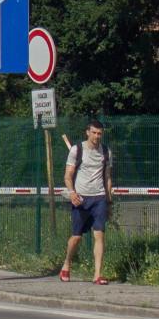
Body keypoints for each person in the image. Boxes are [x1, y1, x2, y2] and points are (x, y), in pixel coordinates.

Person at [59, 117, 115, 284]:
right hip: (81, 199)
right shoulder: (77, 150)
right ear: (87, 132)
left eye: (100, 133)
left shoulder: (106, 152)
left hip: (99, 198)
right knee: (76, 237)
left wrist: (109, 200)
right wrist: (72, 193)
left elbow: (107, 177)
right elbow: (68, 176)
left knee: (99, 235)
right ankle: (67, 264)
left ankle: (97, 274)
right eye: (94, 133)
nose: (97, 136)